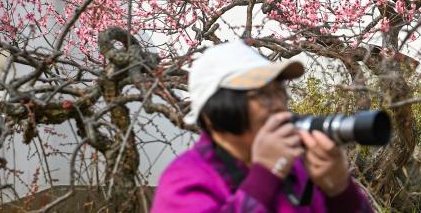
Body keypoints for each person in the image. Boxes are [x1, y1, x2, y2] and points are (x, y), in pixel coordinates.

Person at [152, 39, 373, 212]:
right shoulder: (186, 178)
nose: (279, 106)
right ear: (214, 113)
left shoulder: (297, 167)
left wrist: (339, 190)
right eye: (262, 96)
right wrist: (265, 175)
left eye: (280, 93)